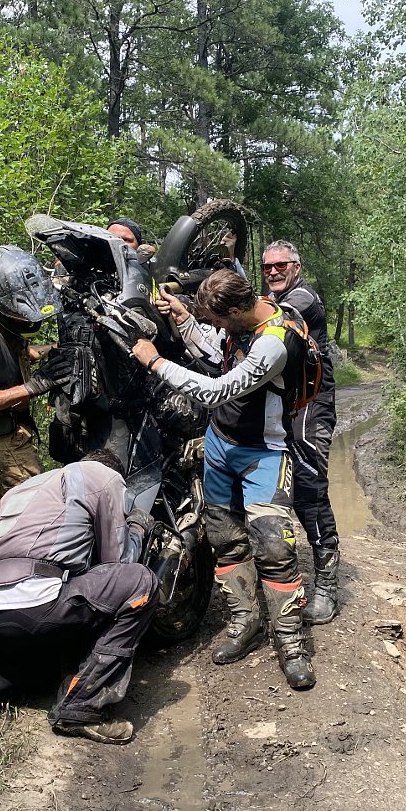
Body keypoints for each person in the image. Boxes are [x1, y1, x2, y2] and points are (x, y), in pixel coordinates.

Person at [133, 269, 315, 690]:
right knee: (224, 538)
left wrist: (155, 361)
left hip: (265, 452)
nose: (216, 325)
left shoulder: (276, 340)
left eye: (218, 318)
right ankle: (245, 623)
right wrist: (184, 318)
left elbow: (218, 389)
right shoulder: (243, 325)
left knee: (273, 545)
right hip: (220, 444)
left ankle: (290, 644)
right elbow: (218, 351)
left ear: (236, 310)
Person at [0, 450, 159, 744]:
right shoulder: (104, 475)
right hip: (34, 599)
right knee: (140, 582)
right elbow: (118, 563)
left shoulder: (25, 488)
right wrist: (136, 528)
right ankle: (82, 706)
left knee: (33, 663)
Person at [0, 243, 71, 557]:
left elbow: (20, 356)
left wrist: (54, 353)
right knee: (40, 514)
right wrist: (34, 386)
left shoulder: (7, 328)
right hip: (0, 445)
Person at [262, 241, 339, 625]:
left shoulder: (303, 298)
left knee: (310, 488)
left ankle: (326, 584)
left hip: (312, 405)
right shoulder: (271, 295)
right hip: (280, 404)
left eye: (280, 265)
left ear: (296, 266)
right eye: (267, 267)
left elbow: (273, 317)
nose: (273, 271)